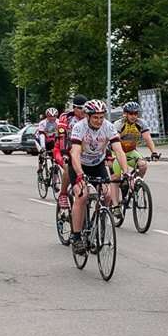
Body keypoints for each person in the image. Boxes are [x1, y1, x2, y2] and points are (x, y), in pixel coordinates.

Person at [68, 99, 131, 254]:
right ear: (87, 116)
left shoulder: (108, 127)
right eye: (95, 117)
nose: (99, 121)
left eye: (101, 117)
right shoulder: (79, 127)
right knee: (82, 196)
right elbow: (74, 153)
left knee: (108, 195)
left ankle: (96, 223)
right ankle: (76, 236)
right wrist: (80, 174)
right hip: (79, 165)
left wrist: (126, 171)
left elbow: (119, 151)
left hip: (97, 164)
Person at [110, 101, 160, 217]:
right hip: (116, 153)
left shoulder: (141, 123)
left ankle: (136, 184)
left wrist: (154, 152)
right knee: (116, 177)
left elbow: (148, 138)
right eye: (131, 113)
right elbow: (115, 141)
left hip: (131, 151)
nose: (134, 116)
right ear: (125, 114)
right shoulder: (119, 124)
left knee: (143, 164)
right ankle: (116, 206)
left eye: (136, 113)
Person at [53, 94, 88, 209]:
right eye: (79, 108)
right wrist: (64, 153)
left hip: (79, 150)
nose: (83, 110)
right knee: (68, 167)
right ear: (74, 108)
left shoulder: (89, 117)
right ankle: (63, 194)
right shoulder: (66, 118)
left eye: (84, 108)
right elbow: (62, 137)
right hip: (63, 148)